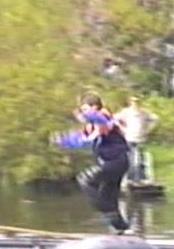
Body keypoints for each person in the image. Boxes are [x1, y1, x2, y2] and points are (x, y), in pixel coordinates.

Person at [52, 93, 131, 234]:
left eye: (86, 108)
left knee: (85, 181)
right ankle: (121, 229)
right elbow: (81, 140)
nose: (84, 112)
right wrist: (63, 141)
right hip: (114, 163)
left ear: (95, 107)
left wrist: (85, 116)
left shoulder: (105, 117)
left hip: (116, 161)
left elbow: (100, 120)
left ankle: (110, 214)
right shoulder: (91, 126)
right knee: (108, 197)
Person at [115, 96, 159, 183]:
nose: (135, 103)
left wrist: (148, 129)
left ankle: (141, 178)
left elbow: (155, 119)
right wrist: (122, 128)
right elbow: (115, 119)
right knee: (131, 158)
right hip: (129, 137)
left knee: (140, 158)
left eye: (137, 101)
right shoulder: (126, 112)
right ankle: (130, 178)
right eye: (133, 101)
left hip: (141, 138)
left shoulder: (144, 112)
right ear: (130, 102)